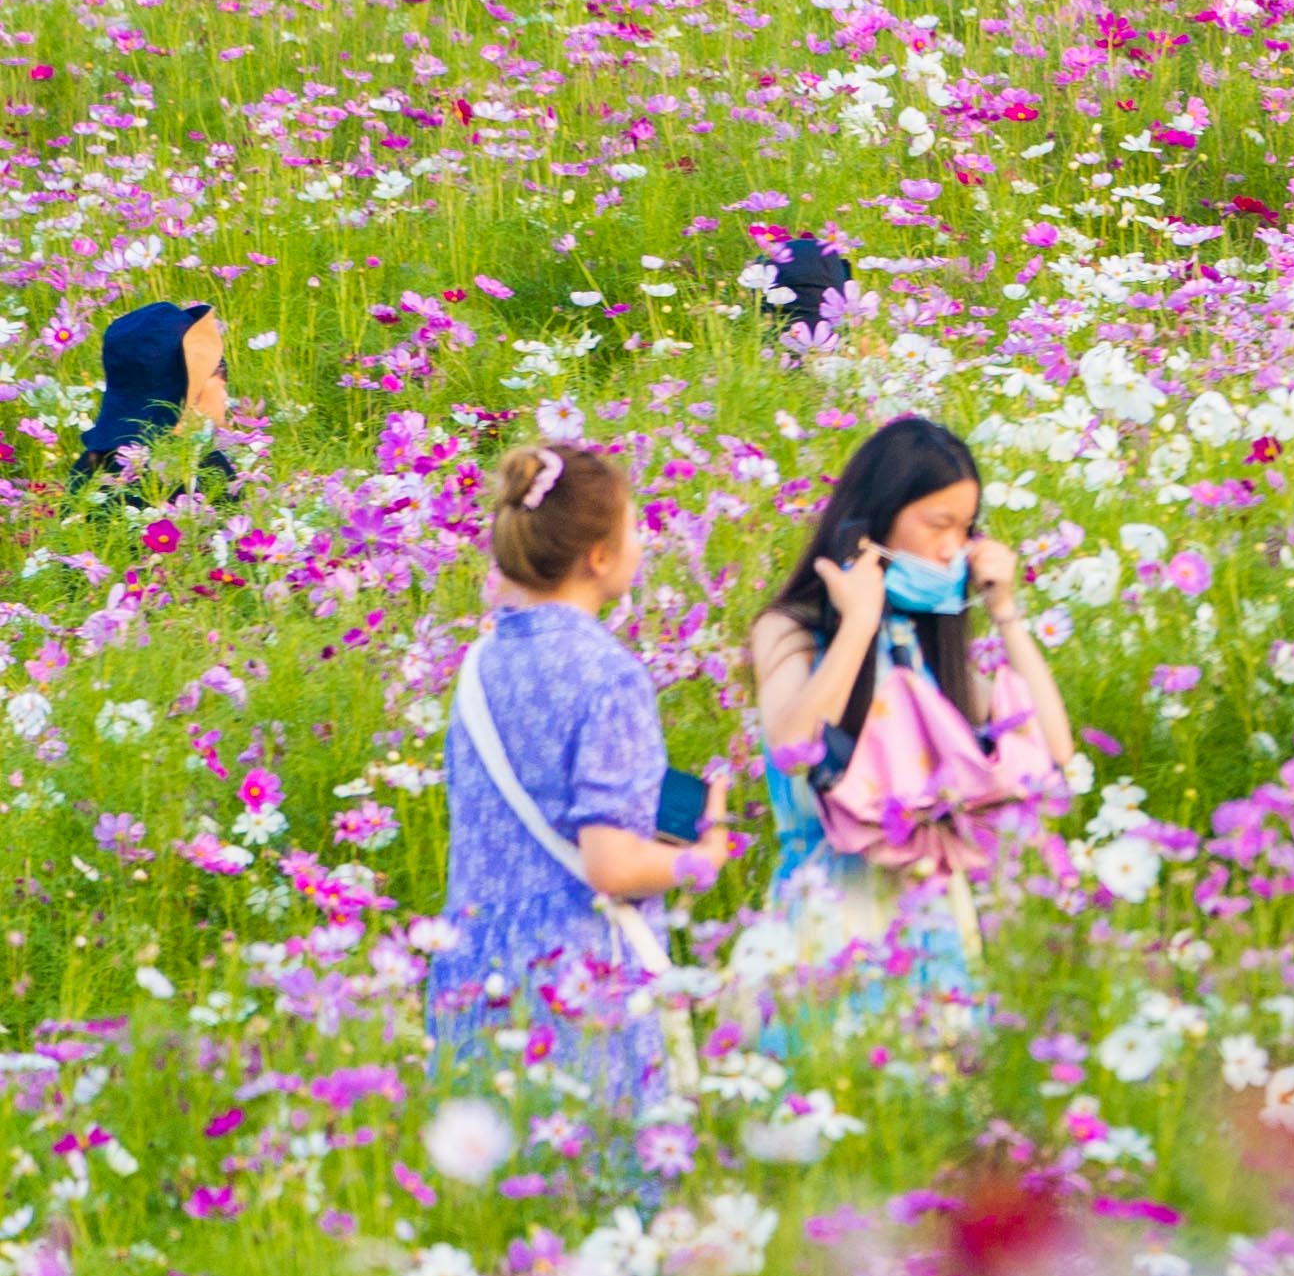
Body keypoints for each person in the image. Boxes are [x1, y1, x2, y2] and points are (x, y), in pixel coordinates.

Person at [734, 413, 1080, 1010]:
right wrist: (858, 625)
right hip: (827, 923)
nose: (953, 548)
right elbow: (794, 747)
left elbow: (1054, 749)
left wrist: (1007, 614)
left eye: (966, 529)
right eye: (937, 524)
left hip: (931, 925)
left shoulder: (925, 646)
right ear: (876, 518)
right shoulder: (788, 630)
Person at [435, 441, 725, 1106]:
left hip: (475, 975)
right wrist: (703, 857)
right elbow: (611, 866)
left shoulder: (478, 665)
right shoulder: (610, 676)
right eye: (634, 528)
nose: (643, 541)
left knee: (493, 1201)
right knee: (599, 1189)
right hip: (579, 983)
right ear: (598, 557)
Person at [70, 296, 230, 491]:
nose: (224, 382)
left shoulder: (90, 468)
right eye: (218, 367)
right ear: (185, 389)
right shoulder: (199, 469)